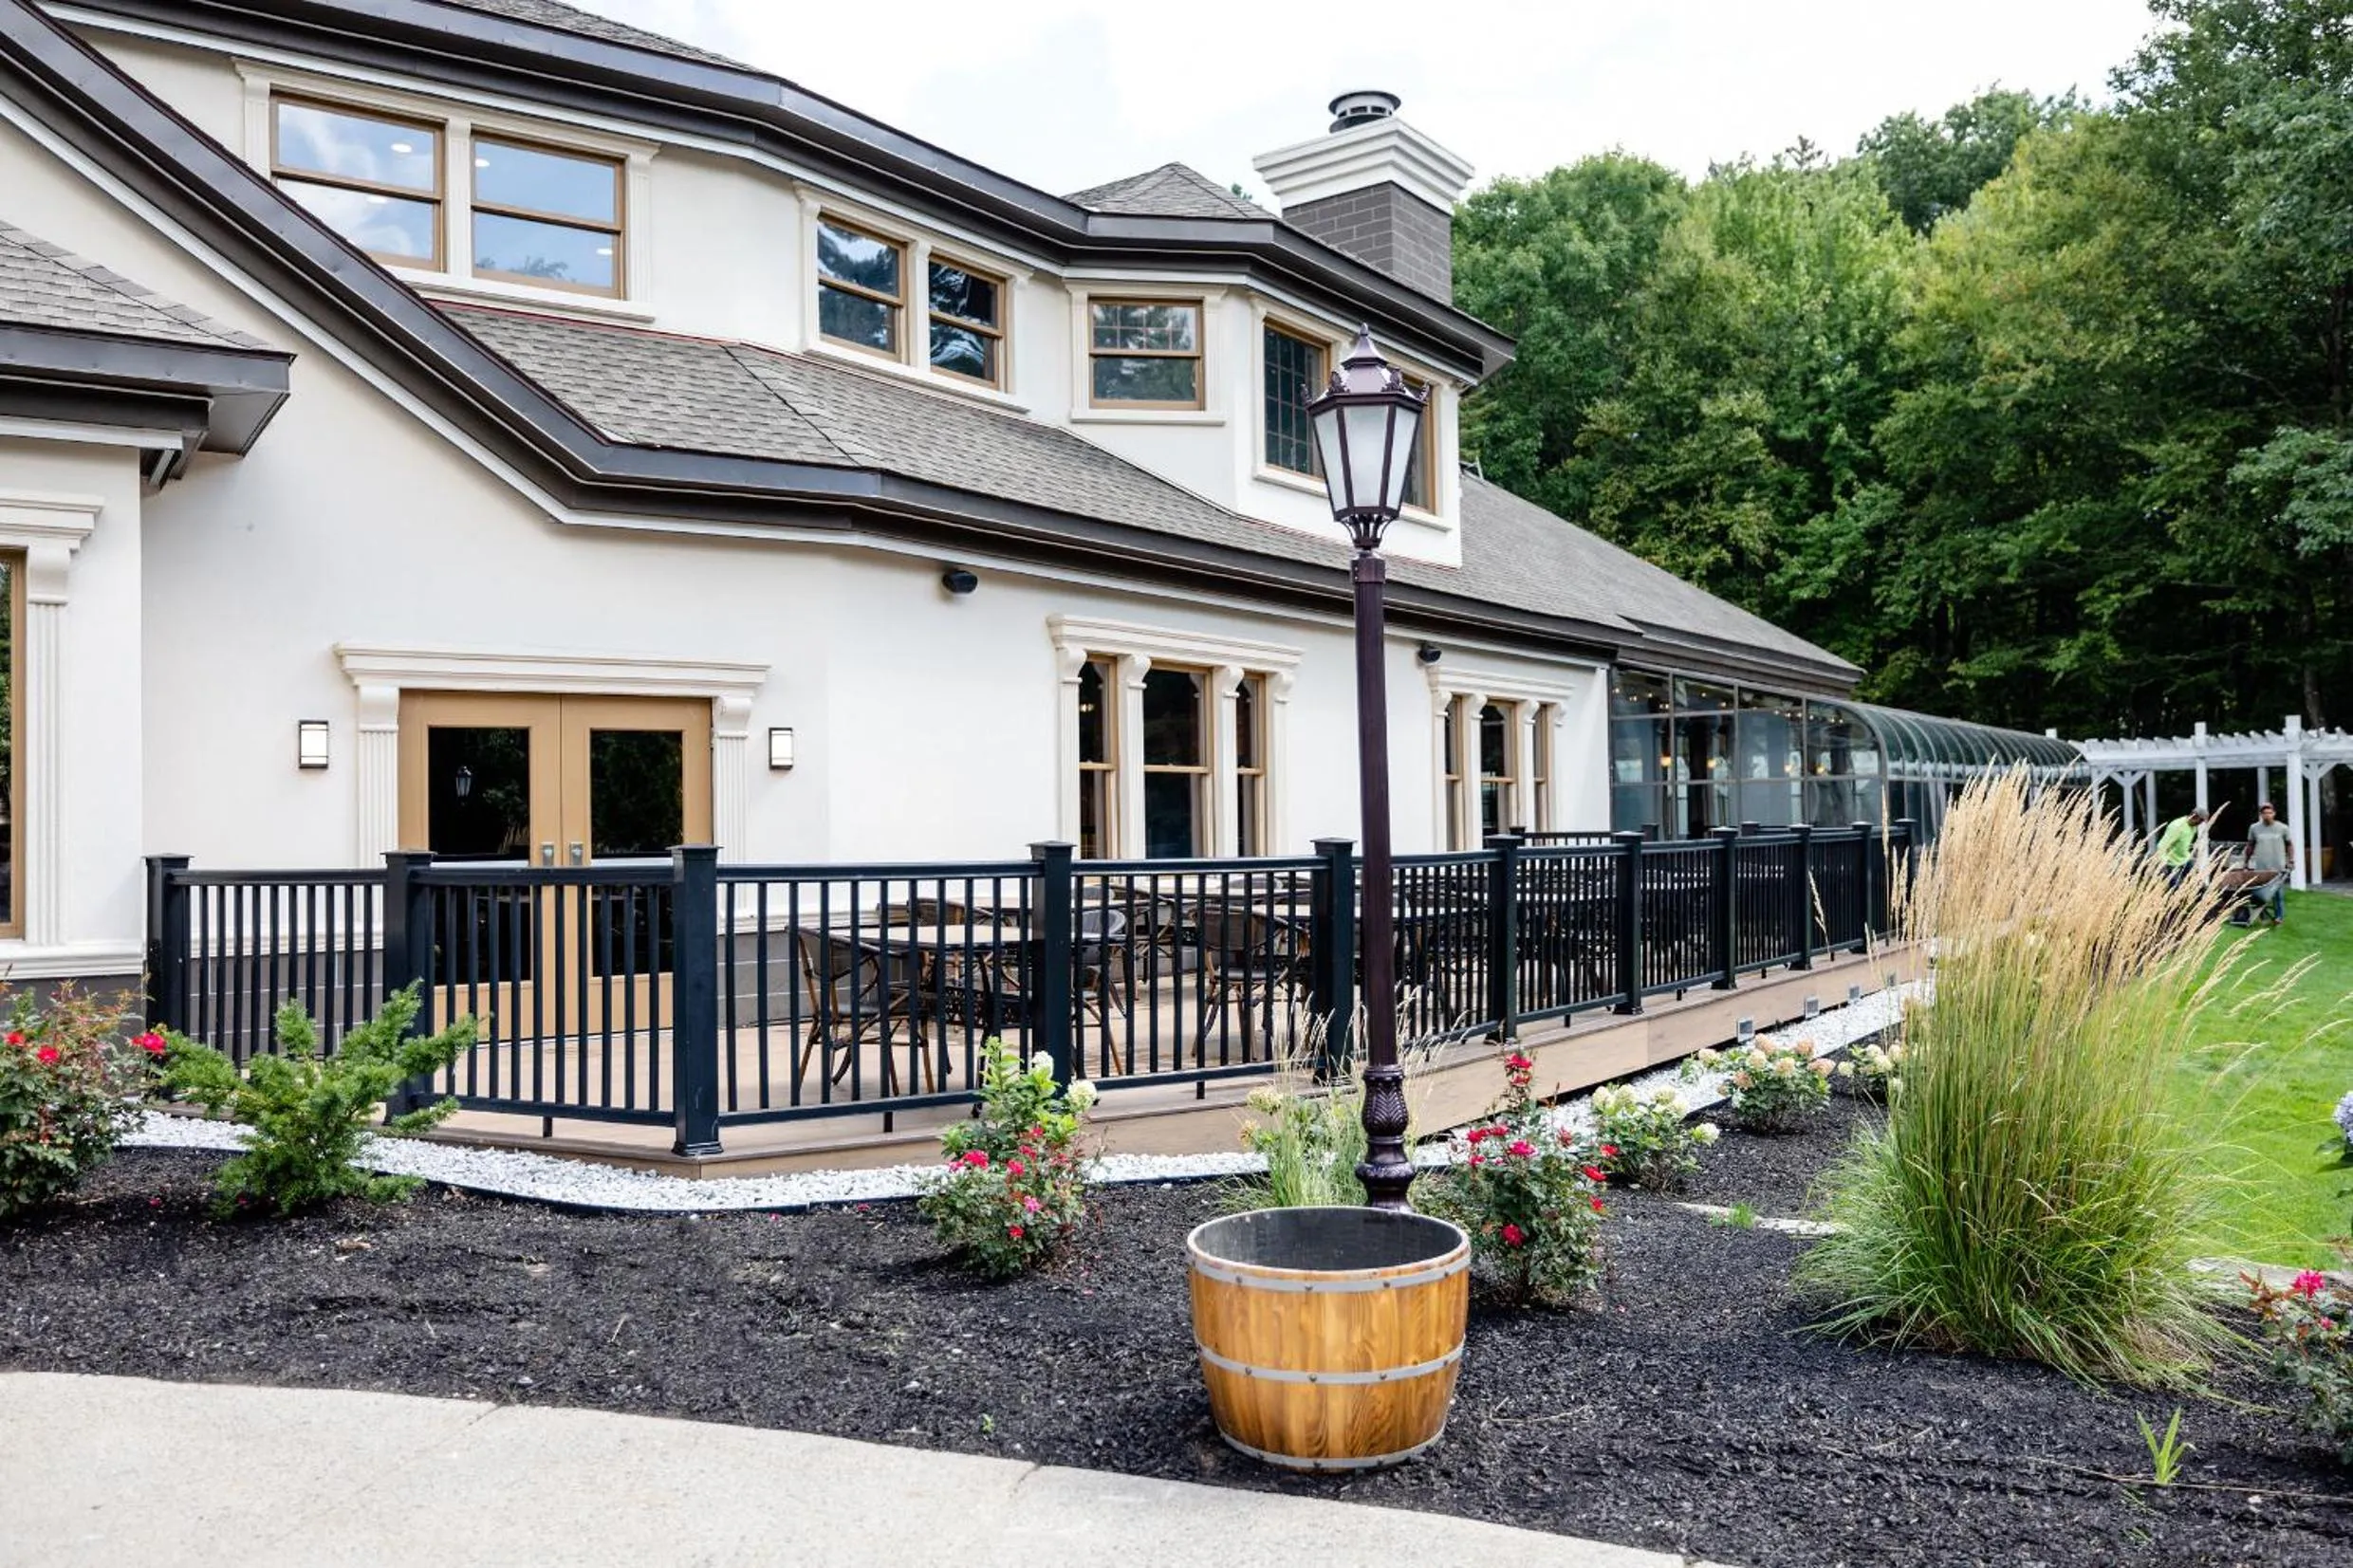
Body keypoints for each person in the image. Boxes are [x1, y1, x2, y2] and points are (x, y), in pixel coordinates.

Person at [2246, 802, 2295, 923]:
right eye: (2264, 813)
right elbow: (2250, 846)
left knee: (2278, 893)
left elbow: (2289, 845)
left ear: (2274, 813)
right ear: (2261, 815)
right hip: (2261, 867)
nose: (2267, 815)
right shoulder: (2254, 828)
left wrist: (2291, 860)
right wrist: (2245, 862)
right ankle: (2262, 916)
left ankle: (2279, 917)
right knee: (2260, 893)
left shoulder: (2283, 828)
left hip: (2278, 866)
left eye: (2269, 813)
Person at [2156, 809, 2207, 888]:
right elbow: (2162, 845)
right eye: (2200, 821)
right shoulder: (2177, 826)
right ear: (2194, 816)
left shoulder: (2193, 827)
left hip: (2185, 860)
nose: (2200, 824)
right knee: (2176, 888)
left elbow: (2183, 842)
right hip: (2172, 863)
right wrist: (2163, 863)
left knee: (2200, 886)